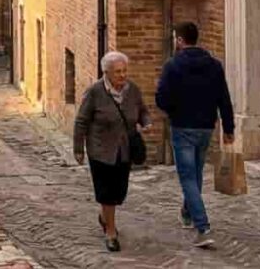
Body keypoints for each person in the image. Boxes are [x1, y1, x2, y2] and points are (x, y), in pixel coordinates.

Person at [155, 21, 235, 249]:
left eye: (175, 38)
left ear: (180, 40)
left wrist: (173, 110)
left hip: (182, 128)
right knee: (196, 173)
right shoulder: (214, 65)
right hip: (206, 128)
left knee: (188, 177)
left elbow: (161, 99)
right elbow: (224, 98)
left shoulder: (172, 66)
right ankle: (187, 213)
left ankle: (203, 227)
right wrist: (229, 128)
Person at [74, 51, 151, 253]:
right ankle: (111, 232)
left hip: (124, 149)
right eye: (118, 72)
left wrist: (146, 122)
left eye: (124, 71)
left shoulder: (132, 90)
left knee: (119, 192)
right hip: (100, 149)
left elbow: (142, 110)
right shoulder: (95, 92)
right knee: (106, 191)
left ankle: (104, 216)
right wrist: (78, 148)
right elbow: (81, 121)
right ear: (106, 72)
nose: (123, 75)